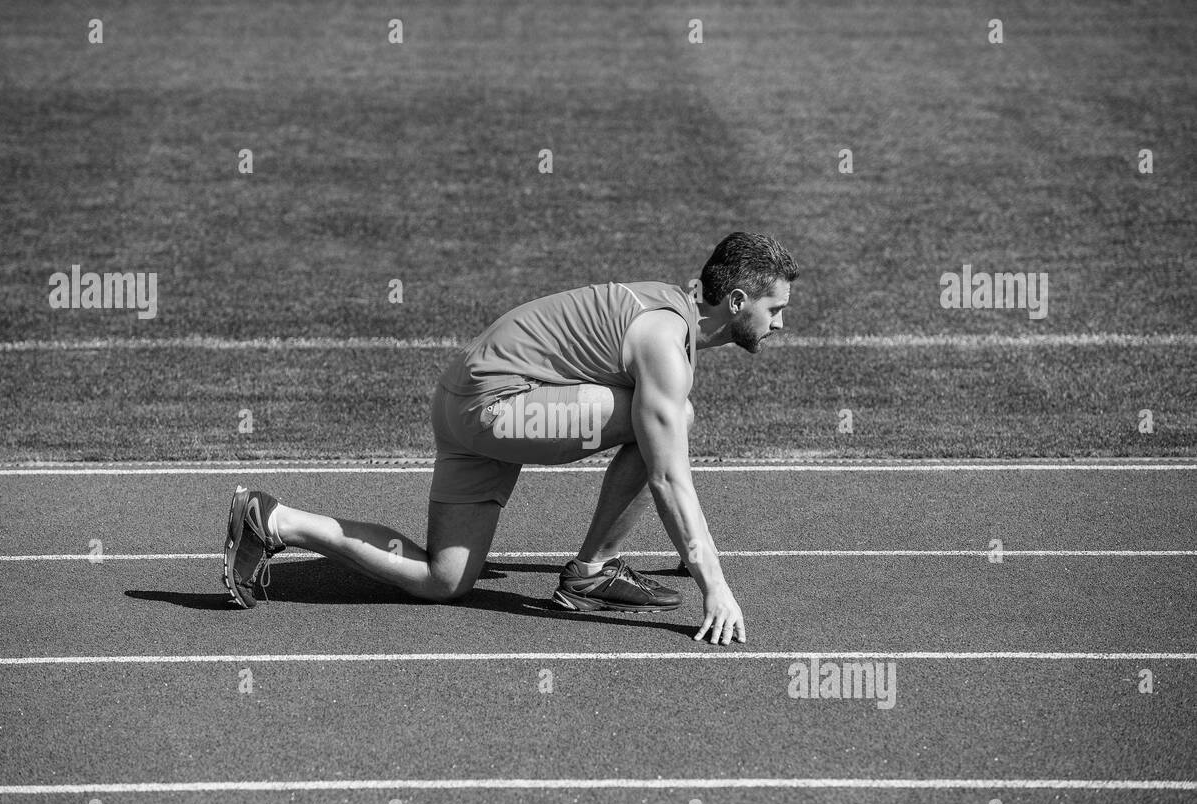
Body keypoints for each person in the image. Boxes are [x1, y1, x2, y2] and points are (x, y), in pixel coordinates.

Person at [223, 231, 797, 645]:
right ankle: (593, 571)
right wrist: (712, 585)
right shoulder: (664, 344)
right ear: (738, 302)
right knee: (672, 423)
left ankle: (273, 520)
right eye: (776, 309)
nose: (780, 323)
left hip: (464, 404)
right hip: (497, 411)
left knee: (443, 580)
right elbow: (667, 476)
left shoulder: (667, 310)